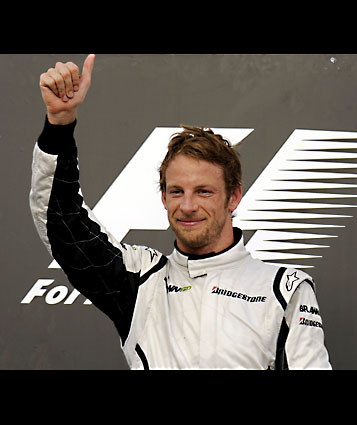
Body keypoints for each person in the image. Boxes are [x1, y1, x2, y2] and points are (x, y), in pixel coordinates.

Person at [30, 54, 331, 369]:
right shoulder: (140, 281)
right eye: (177, 192)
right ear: (163, 197)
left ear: (234, 197)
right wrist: (59, 124)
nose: (187, 206)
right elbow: (63, 224)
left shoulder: (284, 289)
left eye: (204, 191)